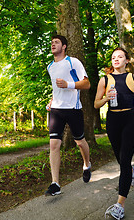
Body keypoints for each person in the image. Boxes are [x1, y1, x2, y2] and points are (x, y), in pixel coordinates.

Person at [94, 47, 134, 219]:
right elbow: (96, 104)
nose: (116, 59)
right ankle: (132, 171)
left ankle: (120, 205)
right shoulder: (105, 80)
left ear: (127, 60)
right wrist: (106, 98)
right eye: (113, 57)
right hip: (113, 121)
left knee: (124, 160)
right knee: (121, 159)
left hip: (131, 120)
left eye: (120, 57)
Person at [45, 35, 92, 196]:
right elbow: (56, 89)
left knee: (79, 142)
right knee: (53, 145)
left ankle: (86, 164)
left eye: (56, 42)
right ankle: (55, 183)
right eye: (52, 42)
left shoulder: (73, 62)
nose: (53, 44)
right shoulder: (50, 66)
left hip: (73, 108)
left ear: (64, 46)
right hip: (56, 111)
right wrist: (52, 101)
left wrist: (68, 85)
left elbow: (86, 84)